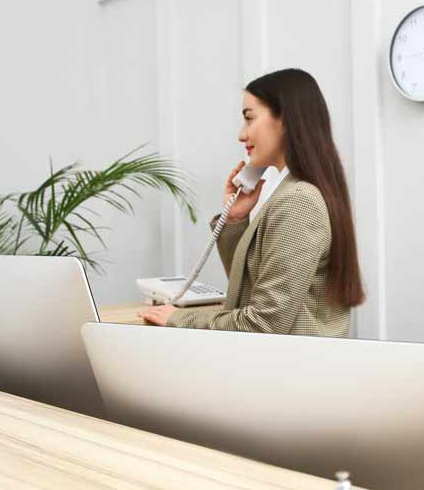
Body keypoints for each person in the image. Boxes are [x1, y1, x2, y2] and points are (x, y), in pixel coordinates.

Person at [141, 68, 364, 335]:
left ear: (286, 120)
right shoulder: (294, 192)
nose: (241, 134)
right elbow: (250, 292)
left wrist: (181, 318)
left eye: (249, 119)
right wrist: (234, 218)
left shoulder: (298, 201)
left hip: (287, 360)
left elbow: (263, 323)